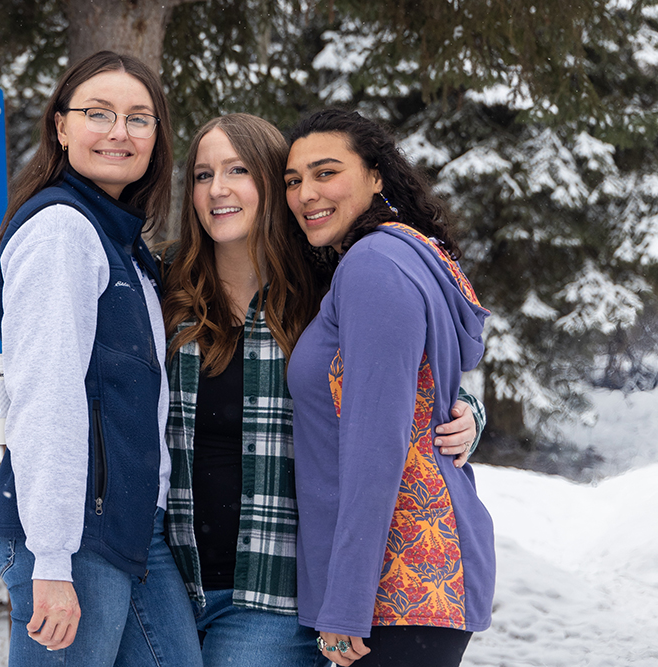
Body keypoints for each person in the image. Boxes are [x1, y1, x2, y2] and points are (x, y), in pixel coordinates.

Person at [161, 113, 486, 666]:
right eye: (201, 174)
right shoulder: (162, 285)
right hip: (167, 576)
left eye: (239, 170)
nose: (217, 188)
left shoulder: (327, 285)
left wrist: (467, 413)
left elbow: (404, 381)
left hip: (275, 590)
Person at [0, 51, 203, 667]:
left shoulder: (120, 241)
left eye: (139, 118)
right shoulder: (62, 230)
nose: (119, 132)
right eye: (98, 114)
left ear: (157, 138)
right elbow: (49, 398)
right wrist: (51, 561)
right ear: (60, 125)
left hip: (130, 529)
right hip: (73, 537)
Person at [284, 108, 495, 666]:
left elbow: (377, 447)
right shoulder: (401, 254)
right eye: (293, 180)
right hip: (417, 581)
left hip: (398, 585)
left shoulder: (374, 265)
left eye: (326, 172)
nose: (306, 193)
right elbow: (428, 393)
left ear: (377, 175)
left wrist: (347, 605)